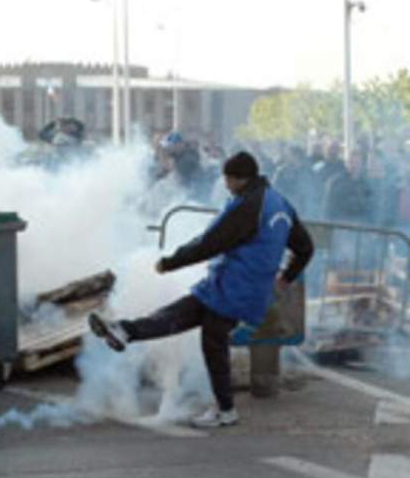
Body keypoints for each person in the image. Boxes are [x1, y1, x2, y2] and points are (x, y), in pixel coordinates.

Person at [89, 152, 314, 428]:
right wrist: (286, 276)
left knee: (211, 341)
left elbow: (209, 242)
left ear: (236, 178)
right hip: (239, 286)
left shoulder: (247, 206)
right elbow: (306, 247)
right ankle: (124, 331)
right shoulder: (278, 202)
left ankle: (226, 410)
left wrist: (171, 262)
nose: (225, 184)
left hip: (235, 286)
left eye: (227, 179)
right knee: (183, 315)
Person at [323, 149, 371, 223]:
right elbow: (328, 208)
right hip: (340, 225)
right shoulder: (335, 182)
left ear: (362, 164)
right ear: (346, 163)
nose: (354, 165)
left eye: (357, 162)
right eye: (351, 162)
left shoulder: (366, 184)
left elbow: (369, 207)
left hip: (361, 226)